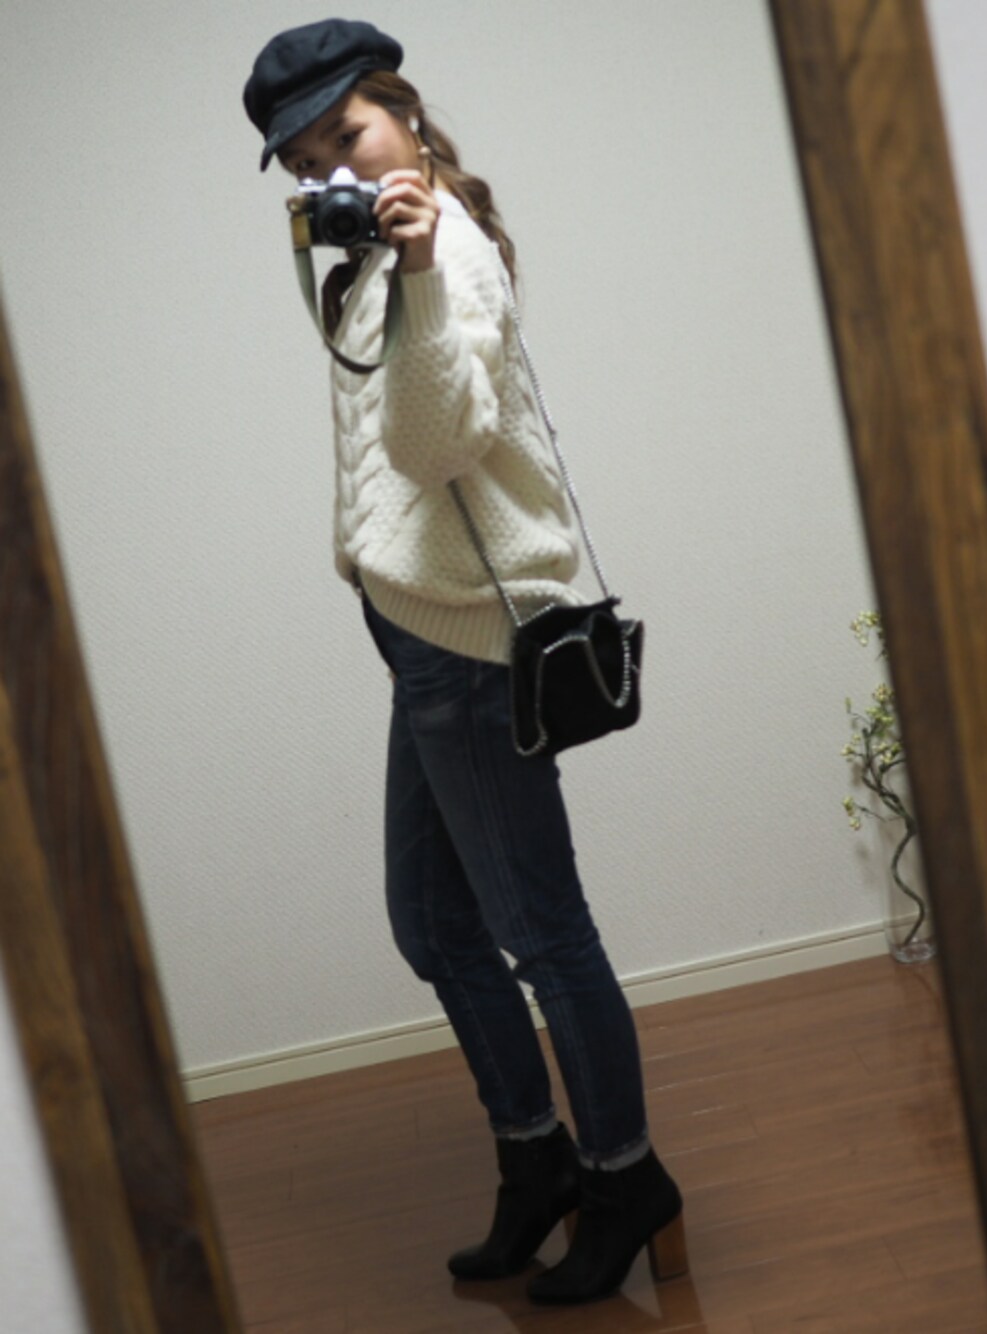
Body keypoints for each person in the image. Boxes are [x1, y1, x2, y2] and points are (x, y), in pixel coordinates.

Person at [243, 18, 686, 1306]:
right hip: (421, 633)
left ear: (403, 110)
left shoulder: (453, 252)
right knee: (437, 926)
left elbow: (436, 447)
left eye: (348, 133)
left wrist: (427, 267)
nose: (335, 166)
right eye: (306, 161)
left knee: (540, 933)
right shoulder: (381, 259)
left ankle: (624, 1177)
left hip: (472, 647)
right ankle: (535, 1162)